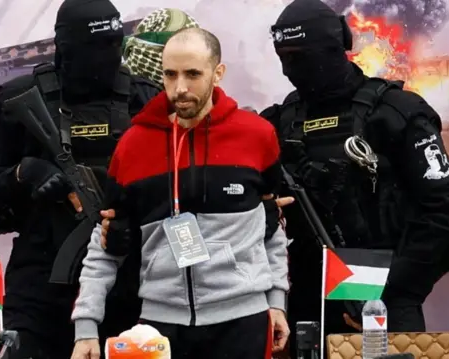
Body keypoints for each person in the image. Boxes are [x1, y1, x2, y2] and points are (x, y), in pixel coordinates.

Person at [0, 3, 198, 359]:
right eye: (97, 48)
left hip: (131, 286)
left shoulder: (145, 98)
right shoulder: (19, 100)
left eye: (115, 45)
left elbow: (181, 190)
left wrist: (134, 222)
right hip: (41, 291)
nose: (109, 57)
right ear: (65, 49)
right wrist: (25, 174)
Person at [259, 0, 449, 355]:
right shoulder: (277, 123)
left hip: (384, 302)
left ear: (333, 48)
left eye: (300, 56)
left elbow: (447, 215)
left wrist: (391, 289)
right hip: (306, 303)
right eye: (283, 57)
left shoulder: (395, 113)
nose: (288, 70)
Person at [70, 27, 290, 359]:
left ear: (218, 73)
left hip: (243, 320)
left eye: (192, 74)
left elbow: (271, 228)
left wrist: (276, 302)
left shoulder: (257, 136)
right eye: (170, 75)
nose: (180, 88)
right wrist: (85, 327)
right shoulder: (133, 145)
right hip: (159, 327)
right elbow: (104, 242)